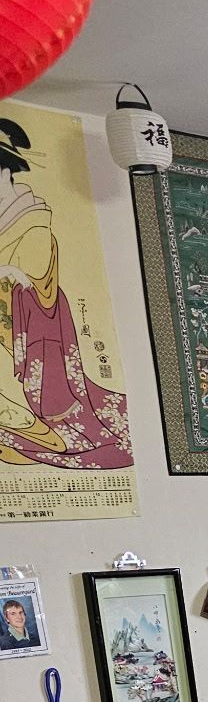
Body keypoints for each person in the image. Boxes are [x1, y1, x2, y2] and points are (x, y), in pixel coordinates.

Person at [0, 118, 132, 469]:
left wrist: (8, 273)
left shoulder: (33, 223)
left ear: (6, 172)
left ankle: (43, 431)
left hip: (33, 330)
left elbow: (37, 286)